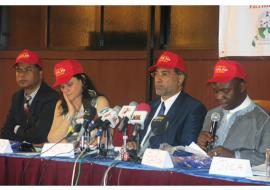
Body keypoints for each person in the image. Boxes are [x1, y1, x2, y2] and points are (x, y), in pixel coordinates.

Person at [197, 60, 270, 166]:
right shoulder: (212, 114)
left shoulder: (263, 119)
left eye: (225, 91)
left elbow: (266, 158)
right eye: (216, 91)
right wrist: (201, 144)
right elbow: (204, 154)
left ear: (242, 87)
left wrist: (235, 156)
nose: (218, 97)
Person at [133, 51, 207, 155]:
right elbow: (139, 139)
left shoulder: (193, 109)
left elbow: (186, 150)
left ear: (180, 79)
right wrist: (133, 144)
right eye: (156, 74)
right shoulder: (149, 107)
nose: (158, 79)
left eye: (164, 74)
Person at [1, 49, 58, 144]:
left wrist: (17, 129)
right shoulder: (17, 97)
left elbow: (39, 135)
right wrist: (21, 133)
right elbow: (6, 131)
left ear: (40, 73)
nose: (22, 74)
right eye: (18, 70)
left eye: (28, 69)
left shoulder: (51, 97)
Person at [47, 59, 110, 144]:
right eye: (62, 87)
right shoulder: (61, 105)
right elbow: (52, 139)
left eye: (69, 84)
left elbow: (104, 137)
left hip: (91, 156)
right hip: (69, 156)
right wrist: (71, 113)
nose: (66, 90)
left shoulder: (99, 102)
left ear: (82, 81)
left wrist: (82, 149)